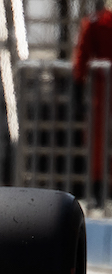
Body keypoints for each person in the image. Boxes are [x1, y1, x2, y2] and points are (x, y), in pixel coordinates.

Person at [75, 0, 112, 203]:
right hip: (103, 86)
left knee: (97, 140)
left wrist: (77, 86)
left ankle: (98, 188)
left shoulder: (95, 22)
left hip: (103, 87)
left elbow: (81, 55)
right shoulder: (99, 21)